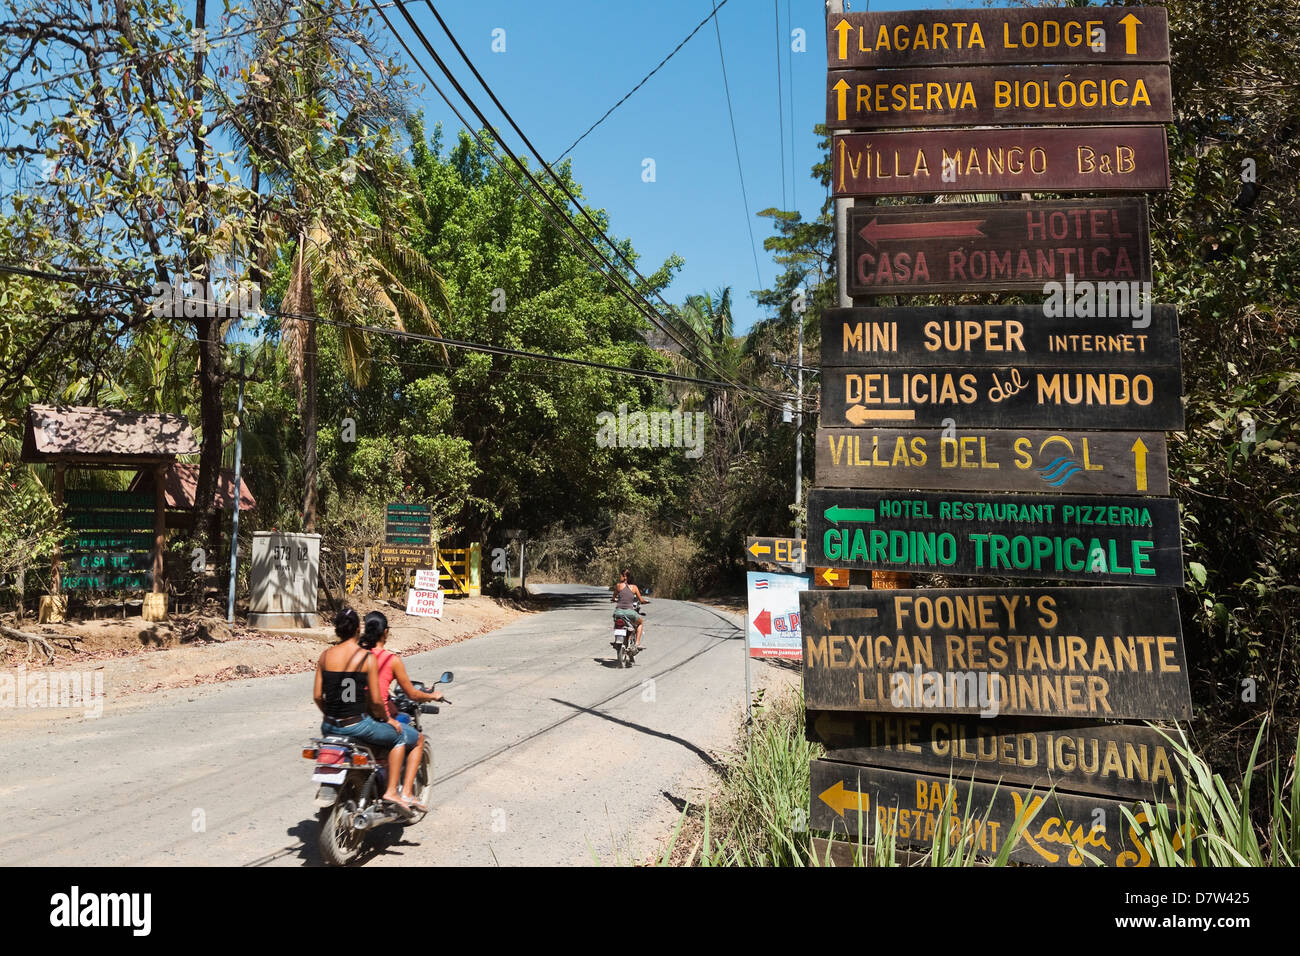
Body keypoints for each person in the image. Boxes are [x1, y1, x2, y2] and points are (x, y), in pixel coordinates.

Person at [313, 607, 411, 814]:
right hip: (356, 725)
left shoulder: (325, 656)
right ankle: (392, 792)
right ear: (358, 629)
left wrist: (331, 714)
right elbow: (376, 700)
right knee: (398, 737)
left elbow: (317, 696)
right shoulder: (366, 658)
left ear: (337, 630)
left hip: (329, 726)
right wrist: (389, 720)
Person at [364, 611, 443, 813]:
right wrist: (432, 696)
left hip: (355, 716)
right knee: (417, 740)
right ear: (386, 632)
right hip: (375, 719)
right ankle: (405, 793)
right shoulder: (391, 659)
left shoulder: (356, 655)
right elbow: (412, 694)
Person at [612, 567, 649, 649]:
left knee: (616, 621)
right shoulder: (634, 587)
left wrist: (614, 599)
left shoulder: (618, 586)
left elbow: (613, 597)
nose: (620, 577)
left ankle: (616, 640)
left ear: (624, 576)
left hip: (618, 612)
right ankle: (637, 643)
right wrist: (645, 602)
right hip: (629, 612)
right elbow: (641, 600)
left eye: (620, 576)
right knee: (640, 623)